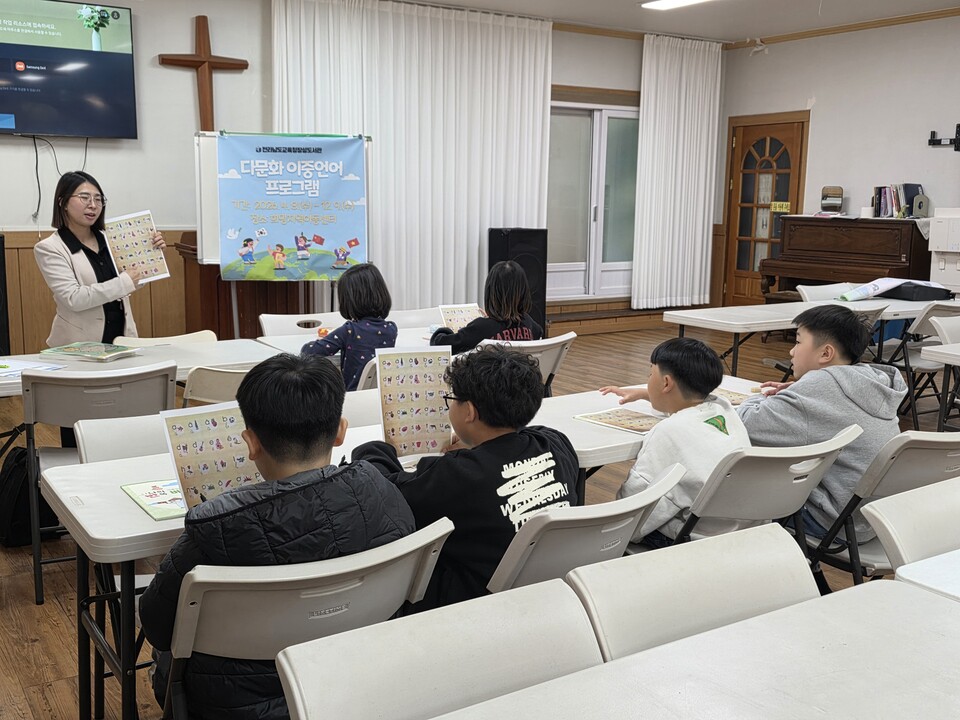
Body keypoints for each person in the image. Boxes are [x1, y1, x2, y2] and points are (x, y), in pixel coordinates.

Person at [139, 354, 415, 720]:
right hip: (360, 683)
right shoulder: (383, 494)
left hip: (231, 706)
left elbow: (156, 625)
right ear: (340, 431)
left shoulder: (212, 532)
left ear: (250, 443)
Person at [353, 346, 579, 612]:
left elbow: (386, 491)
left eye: (452, 400)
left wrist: (375, 449)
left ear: (469, 411)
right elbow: (518, 441)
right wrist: (476, 447)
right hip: (545, 590)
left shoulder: (458, 477)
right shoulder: (556, 443)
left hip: (473, 606)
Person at [737, 304, 907, 542]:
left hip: (834, 521)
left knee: (733, 490)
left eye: (797, 342)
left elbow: (746, 423)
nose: (791, 352)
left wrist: (758, 395)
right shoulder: (869, 379)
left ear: (826, 354)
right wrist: (799, 391)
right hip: (877, 518)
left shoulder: (821, 386)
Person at [600, 338, 751, 547]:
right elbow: (686, 407)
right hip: (742, 529)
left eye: (650, 373)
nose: (648, 379)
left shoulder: (667, 431)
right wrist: (646, 395)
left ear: (666, 383)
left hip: (694, 540)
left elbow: (633, 504)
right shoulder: (723, 408)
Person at [34, 170, 164, 348]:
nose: (93, 205)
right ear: (62, 202)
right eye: (84, 197)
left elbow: (131, 281)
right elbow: (74, 298)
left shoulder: (110, 238)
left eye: (98, 199)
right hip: (78, 347)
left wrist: (150, 252)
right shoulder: (50, 248)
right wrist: (125, 282)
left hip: (122, 339)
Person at [301, 262, 398, 391]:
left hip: (351, 398)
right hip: (378, 397)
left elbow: (311, 352)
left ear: (349, 301)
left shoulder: (349, 330)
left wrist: (308, 345)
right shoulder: (391, 329)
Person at [430, 260, 543, 354]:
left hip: (487, 381)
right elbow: (538, 332)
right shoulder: (528, 322)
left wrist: (445, 330)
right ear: (524, 292)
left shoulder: (480, 328)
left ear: (490, 292)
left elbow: (439, 344)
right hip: (521, 380)